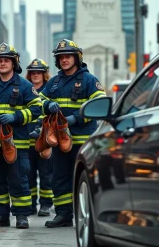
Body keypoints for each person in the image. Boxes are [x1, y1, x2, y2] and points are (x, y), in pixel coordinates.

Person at [0, 43, 42, 229]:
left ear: (14, 63)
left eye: (6, 60)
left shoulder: (25, 86)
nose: (3, 63)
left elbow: (37, 108)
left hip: (17, 144)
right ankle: (0, 215)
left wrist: (16, 117)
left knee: (19, 180)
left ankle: (21, 216)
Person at [40, 39, 106, 228]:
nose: (64, 60)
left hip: (83, 141)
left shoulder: (89, 80)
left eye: (68, 56)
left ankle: (85, 214)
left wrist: (76, 118)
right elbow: (38, 101)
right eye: (61, 57)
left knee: (83, 178)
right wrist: (46, 104)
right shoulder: (54, 82)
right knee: (59, 177)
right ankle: (63, 214)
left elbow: (99, 104)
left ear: (76, 58)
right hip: (60, 141)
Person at [25, 58, 53, 217]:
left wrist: (42, 130)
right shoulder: (25, 90)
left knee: (46, 175)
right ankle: (31, 204)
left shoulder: (49, 92)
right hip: (26, 142)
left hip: (44, 142)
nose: (36, 75)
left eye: (39, 73)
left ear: (44, 74)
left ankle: (45, 205)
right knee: (28, 175)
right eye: (33, 73)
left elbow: (53, 117)